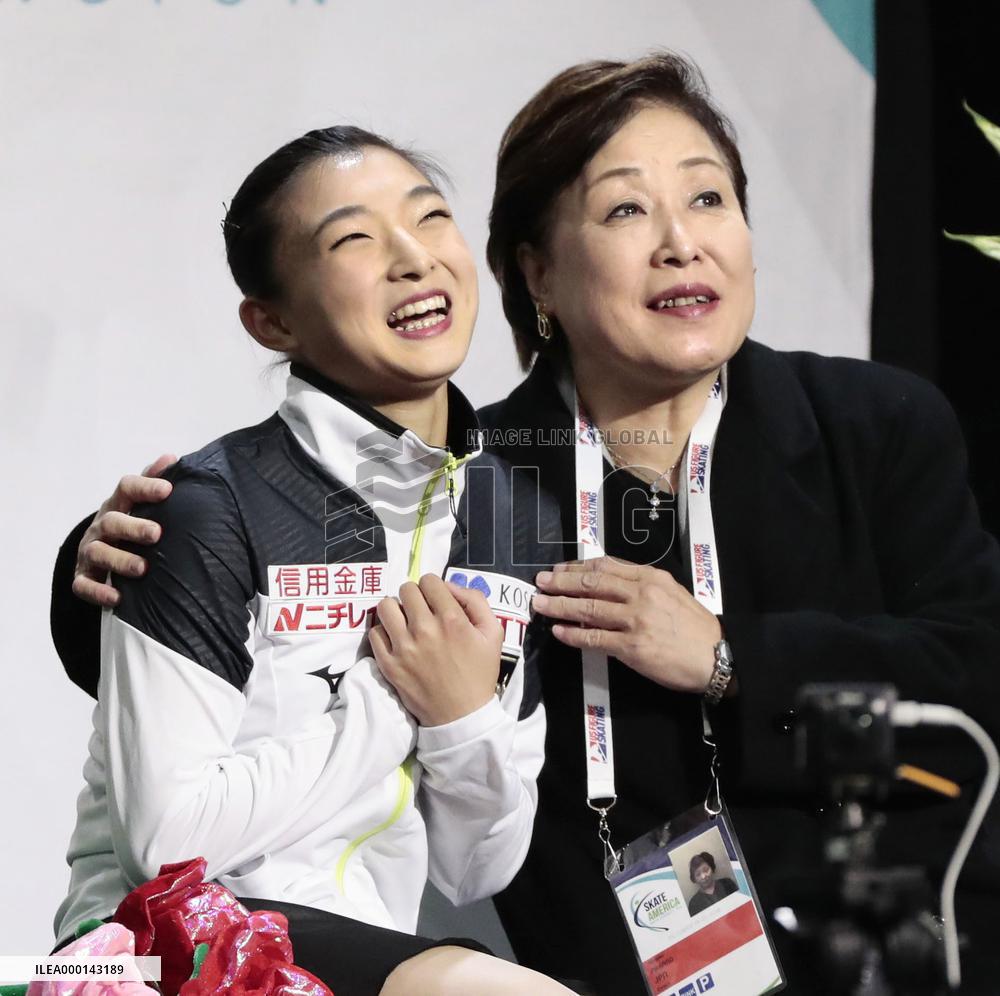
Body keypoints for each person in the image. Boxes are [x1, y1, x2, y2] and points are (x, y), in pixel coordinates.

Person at [52, 54, 1000, 994]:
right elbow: (279, 595)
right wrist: (97, 565)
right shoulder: (484, 481)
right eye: (627, 210)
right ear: (537, 273)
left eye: (710, 200)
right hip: (597, 964)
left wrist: (728, 654)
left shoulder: (871, 424)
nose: (682, 242)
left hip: (884, 945)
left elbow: (974, 664)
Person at [47, 124, 574, 996]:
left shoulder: (512, 522)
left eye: (430, 218)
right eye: (355, 240)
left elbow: (479, 865)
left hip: (362, 950)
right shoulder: (203, 510)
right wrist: (400, 697)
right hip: (154, 949)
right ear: (273, 321)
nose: (414, 259)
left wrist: (462, 717)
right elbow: (168, 845)